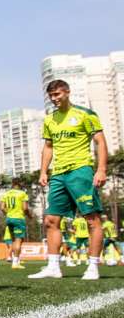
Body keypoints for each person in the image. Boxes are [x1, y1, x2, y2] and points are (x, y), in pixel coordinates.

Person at [29, 80, 107, 281]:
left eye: (57, 94)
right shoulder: (49, 120)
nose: (54, 99)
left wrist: (101, 169)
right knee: (50, 220)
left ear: (67, 92)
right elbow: (48, 146)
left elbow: (100, 141)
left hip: (80, 171)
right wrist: (43, 172)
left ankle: (93, 267)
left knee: (92, 219)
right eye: (51, 96)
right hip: (58, 175)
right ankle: (53, 266)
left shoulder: (85, 114)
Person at [0, 179, 30, 269]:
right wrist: (29, 215)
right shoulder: (22, 193)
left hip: (9, 219)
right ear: (19, 184)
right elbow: (25, 208)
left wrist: (8, 214)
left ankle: (14, 260)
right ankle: (15, 262)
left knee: (13, 240)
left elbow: (2, 208)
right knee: (18, 240)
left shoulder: (6, 194)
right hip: (18, 218)